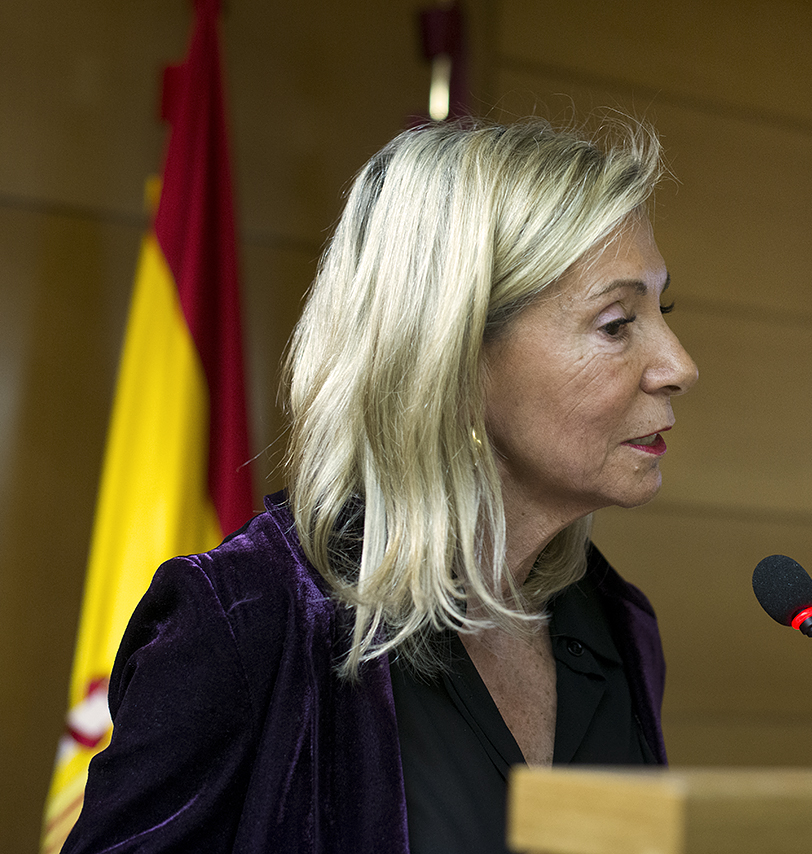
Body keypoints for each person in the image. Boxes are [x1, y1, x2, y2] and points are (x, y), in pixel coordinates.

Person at [63, 116, 698, 853]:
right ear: (454, 355)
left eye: (663, 311)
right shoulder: (246, 619)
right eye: (616, 324)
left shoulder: (617, 623)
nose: (679, 365)